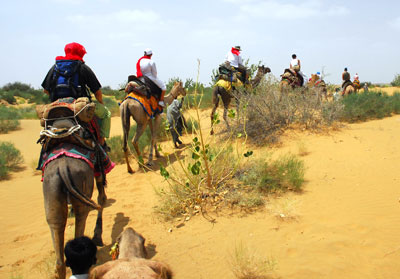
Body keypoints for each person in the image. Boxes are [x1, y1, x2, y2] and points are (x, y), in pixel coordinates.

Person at [41, 42, 111, 148]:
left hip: (58, 105)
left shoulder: (55, 67)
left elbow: (46, 90)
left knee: (46, 133)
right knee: (106, 114)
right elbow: (97, 91)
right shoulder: (82, 67)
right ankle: (101, 142)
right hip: (79, 106)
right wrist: (101, 103)